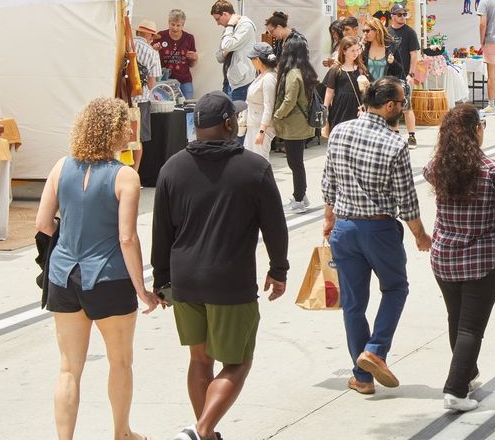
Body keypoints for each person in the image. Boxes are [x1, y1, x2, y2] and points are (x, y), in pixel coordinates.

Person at [152, 91, 288, 440]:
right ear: (229, 123)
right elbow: (275, 225)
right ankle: (200, 431)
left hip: (184, 280)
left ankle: (206, 436)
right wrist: (279, 269)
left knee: (200, 360)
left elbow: (161, 232)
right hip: (230, 281)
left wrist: (162, 280)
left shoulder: (172, 168)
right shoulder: (254, 168)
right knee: (238, 362)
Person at [36, 98, 158, 440]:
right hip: (109, 278)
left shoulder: (61, 167)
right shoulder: (125, 176)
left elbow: (43, 223)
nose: (130, 130)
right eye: (125, 125)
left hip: (63, 274)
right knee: (119, 361)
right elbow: (127, 239)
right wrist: (142, 290)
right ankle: (121, 432)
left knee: (68, 368)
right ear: (112, 131)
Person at [322, 77, 432, 395]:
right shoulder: (394, 143)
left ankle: (363, 377)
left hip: (345, 228)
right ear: (389, 106)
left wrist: (329, 219)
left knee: (353, 305)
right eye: (401, 102)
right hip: (380, 229)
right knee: (396, 288)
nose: (403, 107)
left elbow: (328, 182)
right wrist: (420, 236)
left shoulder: (340, 132)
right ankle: (375, 350)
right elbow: (406, 199)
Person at [425, 105, 495, 412]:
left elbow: (429, 173)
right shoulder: (492, 170)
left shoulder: (438, 167)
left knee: (456, 319)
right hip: (482, 262)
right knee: (471, 327)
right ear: (476, 131)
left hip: (444, 258)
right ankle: (455, 390)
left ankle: (467, 374)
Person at [273, 35, 320, 213]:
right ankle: (301, 195)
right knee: (296, 162)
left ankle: (299, 198)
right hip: (301, 124)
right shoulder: (305, 70)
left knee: (295, 163)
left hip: (294, 126)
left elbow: (289, 100)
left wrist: (277, 115)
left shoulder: (293, 73)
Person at [388, 3, 424, 144]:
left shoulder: (409, 32)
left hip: (404, 75)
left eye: (404, 14)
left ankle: (412, 135)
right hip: (390, 75)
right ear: (392, 16)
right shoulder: (387, 32)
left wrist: (411, 74)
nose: (403, 17)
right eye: (399, 14)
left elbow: (414, 55)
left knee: (406, 107)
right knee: (392, 107)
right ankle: (395, 134)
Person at [210, 0, 256, 104]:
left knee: (238, 116)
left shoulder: (245, 26)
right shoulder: (229, 30)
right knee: (227, 116)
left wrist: (230, 26)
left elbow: (227, 45)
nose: (217, 23)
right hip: (229, 81)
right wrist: (226, 51)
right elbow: (219, 57)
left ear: (225, 14)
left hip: (242, 82)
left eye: (218, 19)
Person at [131, 19, 162, 171]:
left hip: (121, 97)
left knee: (121, 135)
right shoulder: (152, 53)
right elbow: (151, 84)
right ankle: (134, 173)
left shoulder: (125, 45)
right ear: (149, 34)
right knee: (137, 138)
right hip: (141, 99)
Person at [323, 36, 371, 133]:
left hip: (357, 107)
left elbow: (370, 89)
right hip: (340, 106)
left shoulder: (361, 69)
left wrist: (368, 84)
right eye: (352, 50)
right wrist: (325, 108)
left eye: (357, 50)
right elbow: (329, 90)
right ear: (344, 51)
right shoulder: (336, 69)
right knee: (339, 132)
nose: (356, 53)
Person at [244, 43, 278, 160]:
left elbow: (269, 106)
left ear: (257, 59)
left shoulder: (268, 78)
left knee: (260, 160)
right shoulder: (263, 75)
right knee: (251, 161)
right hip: (254, 124)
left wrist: (262, 131)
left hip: (260, 126)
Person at [156, 9, 198, 99]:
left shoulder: (189, 38)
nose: (175, 28)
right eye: (173, 24)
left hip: (184, 80)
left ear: (183, 25)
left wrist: (194, 58)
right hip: (165, 80)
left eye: (178, 25)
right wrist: (155, 50)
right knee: (167, 109)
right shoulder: (160, 36)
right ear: (168, 23)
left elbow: (192, 64)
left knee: (188, 107)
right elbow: (153, 59)